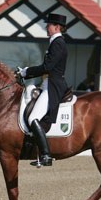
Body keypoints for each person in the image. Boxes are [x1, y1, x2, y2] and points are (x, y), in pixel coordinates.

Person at [17, 13, 68, 166]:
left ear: (56, 27)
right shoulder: (55, 43)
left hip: (53, 87)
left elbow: (47, 67)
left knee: (33, 118)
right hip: (47, 84)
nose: (46, 27)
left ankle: (46, 155)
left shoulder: (58, 43)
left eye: (49, 25)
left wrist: (26, 72)